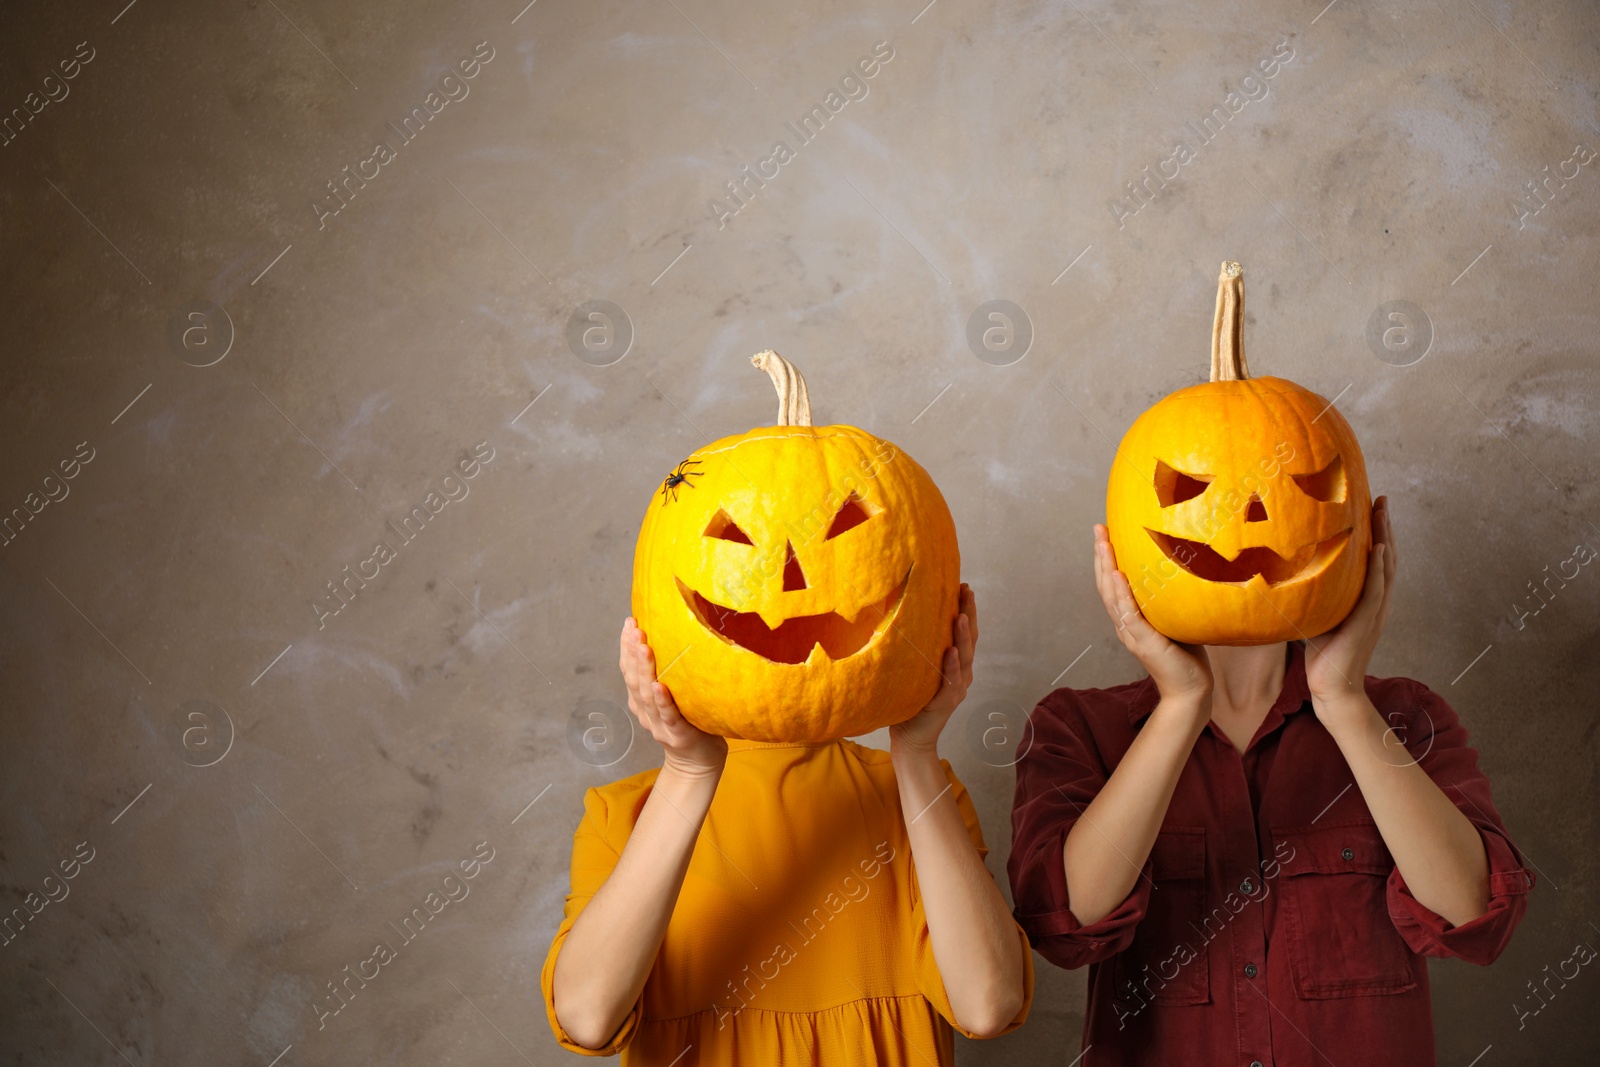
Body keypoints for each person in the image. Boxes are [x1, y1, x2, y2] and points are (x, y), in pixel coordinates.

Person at [1008, 498, 1534, 1066]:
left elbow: (1472, 916)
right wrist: (1183, 704)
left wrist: (1344, 700)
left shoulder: (1405, 718)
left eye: (1296, 489)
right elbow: (1070, 924)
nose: (1249, 517)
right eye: (1194, 493)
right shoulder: (1076, 728)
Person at [543, 585, 1032, 1065]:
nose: (786, 593)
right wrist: (689, 773)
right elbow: (588, 1019)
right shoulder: (623, 816)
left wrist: (917, 751)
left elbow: (988, 1004)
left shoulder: (918, 795)